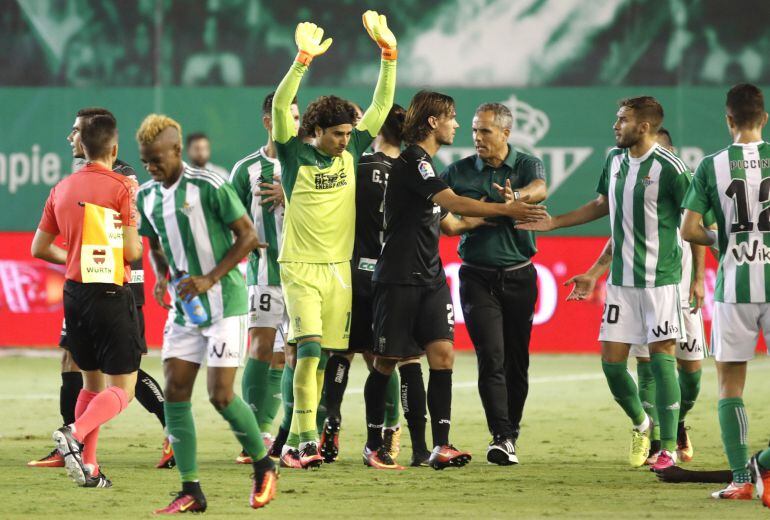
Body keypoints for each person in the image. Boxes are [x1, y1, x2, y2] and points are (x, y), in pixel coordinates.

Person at [363, 90, 547, 470]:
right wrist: (506, 208)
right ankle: (373, 444)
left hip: (431, 277)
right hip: (398, 277)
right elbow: (455, 204)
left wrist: (496, 216)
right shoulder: (415, 162)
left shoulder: (428, 165)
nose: (459, 127)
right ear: (433, 122)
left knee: (444, 357)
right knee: (386, 361)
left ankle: (441, 445)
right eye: (453, 118)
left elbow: (450, 223)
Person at [519, 96, 704, 471]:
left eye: (622, 120)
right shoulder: (615, 160)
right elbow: (602, 204)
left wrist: (698, 275)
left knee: (663, 360)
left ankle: (666, 446)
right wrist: (554, 223)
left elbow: (697, 218)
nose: (615, 125)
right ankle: (642, 423)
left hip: (661, 282)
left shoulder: (672, 168)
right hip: (620, 282)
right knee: (612, 364)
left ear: (645, 126)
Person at [270, 12, 398, 469]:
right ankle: (301, 443)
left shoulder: (354, 151)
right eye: (338, 134)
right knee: (306, 352)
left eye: (349, 133)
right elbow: (284, 100)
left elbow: (381, 108)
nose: (346, 140)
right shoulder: (293, 153)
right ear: (316, 130)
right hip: (300, 267)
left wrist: (389, 56)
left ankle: (300, 440)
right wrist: (302, 61)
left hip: (339, 271)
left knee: (322, 359)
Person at [135, 114, 277, 513]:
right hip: (185, 310)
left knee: (220, 395)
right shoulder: (146, 196)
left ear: (177, 151)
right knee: (175, 392)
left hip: (225, 305)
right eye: (145, 161)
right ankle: (191, 489)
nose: (151, 167)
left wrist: (210, 278)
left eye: (157, 159)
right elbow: (156, 244)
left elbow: (249, 236)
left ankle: (264, 467)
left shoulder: (210, 186)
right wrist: (163, 276)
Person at [27, 107, 173, 471]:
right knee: (86, 368)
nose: (71, 137)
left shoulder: (114, 179)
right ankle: (77, 449)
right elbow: (128, 245)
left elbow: (44, 247)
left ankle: (169, 429)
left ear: (93, 138)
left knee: (122, 374)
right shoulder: (107, 182)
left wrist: (77, 255)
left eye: (75, 130)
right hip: (99, 286)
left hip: (99, 287)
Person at [565, 127, 709, 466]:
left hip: (680, 290)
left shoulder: (674, 177)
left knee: (691, 378)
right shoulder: (626, 174)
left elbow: (700, 234)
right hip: (641, 287)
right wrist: (595, 272)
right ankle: (657, 438)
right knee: (649, 367)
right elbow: (620, 236)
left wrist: (699, 279)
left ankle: (678, 422)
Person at [441, 102, 547, 465]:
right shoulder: (457, 171)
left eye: (485, 131)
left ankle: (510, 431)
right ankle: (501, 435)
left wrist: (517, 198)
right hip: (476, 277)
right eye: (473, 130)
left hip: (520, 275)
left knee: (518, 361)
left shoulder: (526, 163)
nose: (477, 137)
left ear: (505, 133)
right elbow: (437, 206)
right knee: (492, 357)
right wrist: (460, 222)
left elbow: (539, 188)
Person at [680, 83, 770, 501]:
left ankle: (740, 479)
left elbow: (689, 229)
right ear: (764, 118)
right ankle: (764, 463)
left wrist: (723, 240)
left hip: (735, 288)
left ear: (729, 120)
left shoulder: (711, 165)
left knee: (729, 386)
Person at [320, 105, 406, 464]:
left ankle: (330, 424)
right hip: (395, 273)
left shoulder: (358, 164)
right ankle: (388, 432)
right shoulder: (415, 170)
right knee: (384, 358)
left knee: (340, 351)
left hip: (352, 268)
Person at [229, 91, 300, 464]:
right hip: (265, 273)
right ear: (268, 122)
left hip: (305, 274)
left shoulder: (308, 164)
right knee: (261, 348)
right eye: (286, 116)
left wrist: (291, 198)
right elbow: (231, 220)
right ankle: (254, 435)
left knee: (291, 356)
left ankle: (293, 435)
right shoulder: (246, 170)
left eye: (297, 116)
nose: (294, 123)